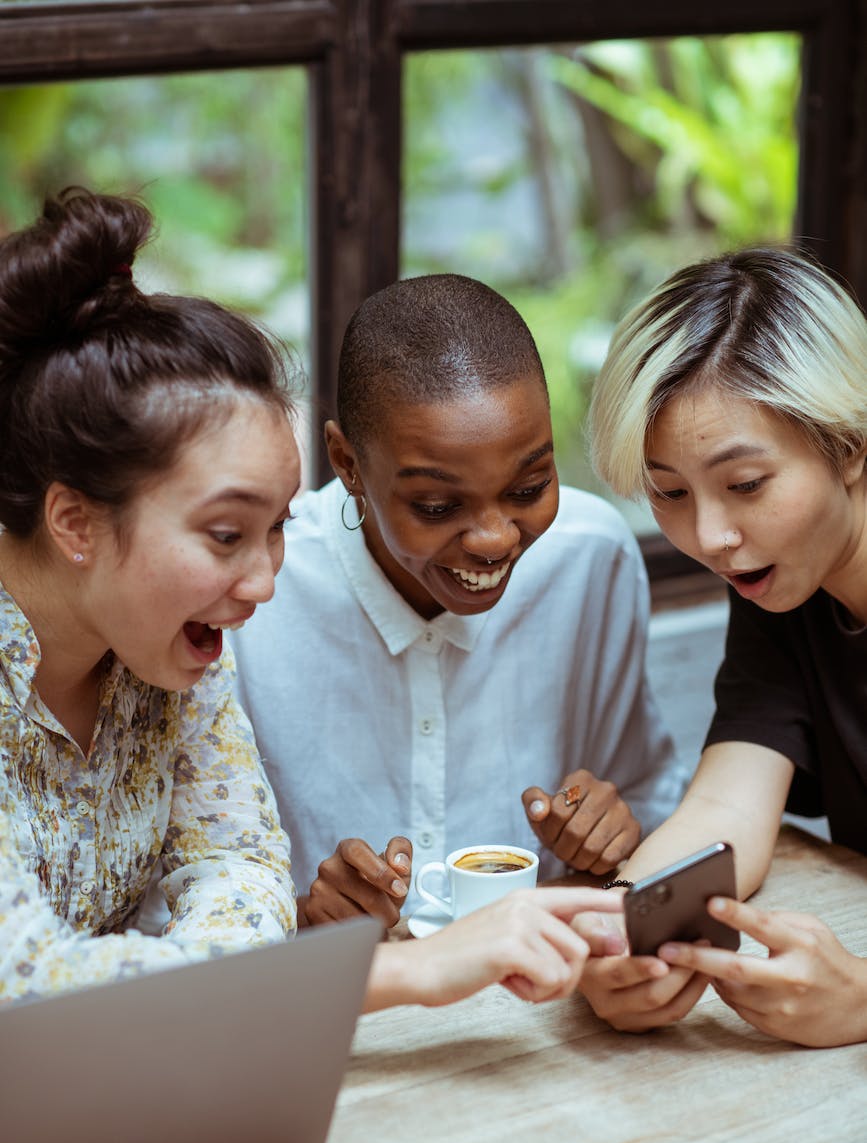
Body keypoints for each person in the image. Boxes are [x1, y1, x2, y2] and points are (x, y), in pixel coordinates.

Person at [0, 188, 626, 1012]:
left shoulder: (163, 652)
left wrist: (236, 979)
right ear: (75, 521)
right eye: (226, 535)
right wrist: (407, 971)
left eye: (276, 529)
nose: (264, 583)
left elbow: (242, 875)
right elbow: (25, 979)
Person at [231, 273, 685, 927]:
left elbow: (649, 796)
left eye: (529, 487)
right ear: (346, 462)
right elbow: (178, 895)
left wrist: (613, 833)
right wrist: (298, 918)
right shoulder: (256, 600)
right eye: (437, 505)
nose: (495, 538)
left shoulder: (588, 557)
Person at [581, 244, 867, 1047]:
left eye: (744, 485)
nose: (709, 536)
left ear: (847, 443)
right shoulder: (784, 583)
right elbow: (723, 806)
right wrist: (620, 935)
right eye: (668, 492)